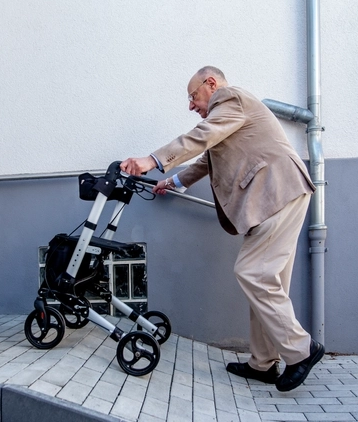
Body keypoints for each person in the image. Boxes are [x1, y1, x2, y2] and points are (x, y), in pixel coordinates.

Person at [120, 66, 324, 392]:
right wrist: (171, 181)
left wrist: (152, 159)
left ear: (211, 83)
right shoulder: (226, 119)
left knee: (253, 273)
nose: (191, 105)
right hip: (276, 198)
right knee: (267, 284)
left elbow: (201, 137)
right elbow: (207, 158)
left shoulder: (230, 98)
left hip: (276, 193)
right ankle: (263, 363)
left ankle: (301, 349)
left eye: (193, 96)